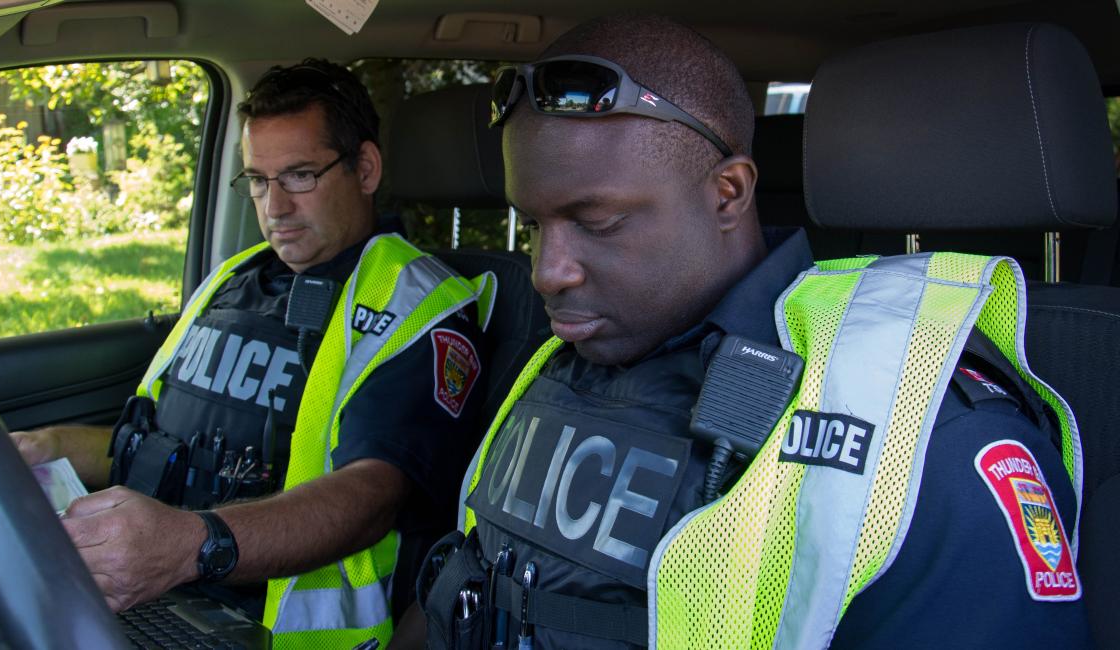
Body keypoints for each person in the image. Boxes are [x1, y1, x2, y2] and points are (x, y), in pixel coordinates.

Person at [413, 14, 1089, 649]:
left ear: (728, 193)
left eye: (597, 222)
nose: (546, 271)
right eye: (532, 227)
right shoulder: (558, 362)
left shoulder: (911, 425)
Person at [13, 58, 495, 648]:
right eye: (259, 182)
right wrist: (51, 447)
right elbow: (160, 447)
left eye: (298, 177)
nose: (275, 209)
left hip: (269, 631)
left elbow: (371, 496)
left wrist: (194, 545)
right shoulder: (231, 281)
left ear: (364, 169)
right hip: (161, 599)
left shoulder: (416, 305)